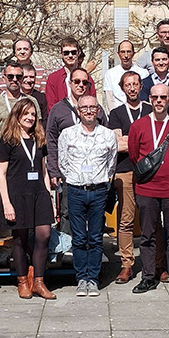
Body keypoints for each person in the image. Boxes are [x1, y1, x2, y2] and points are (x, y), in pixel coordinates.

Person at [129, 83, 169, 295]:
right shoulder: (138, 126)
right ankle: (148, 276)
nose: (159, 101)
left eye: (163, 97)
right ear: (150, 99)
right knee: (147, 235)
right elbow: (135, 154)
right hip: (146, 188)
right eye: (155, 97)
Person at [0, 98, 57, 300]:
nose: (30, 117)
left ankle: (39, 281)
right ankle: (23, 281)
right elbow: (1, 173)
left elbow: (43, 169)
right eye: (26, 113)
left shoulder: (39, 138)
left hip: (39, 193)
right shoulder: (8, 140)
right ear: (17, 115)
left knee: (44, 235)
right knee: (20, 239)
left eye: (33, 114)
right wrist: (6, 202)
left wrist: (50, 197)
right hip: (17, 195)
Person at [58, 95, 118, 297]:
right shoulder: (67, 134)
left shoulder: (108, 135)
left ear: (99, 110)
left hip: (99, 190)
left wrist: (99, 179)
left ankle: (92, 278)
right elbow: (62, 162)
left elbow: (111, 165)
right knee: (78, 237)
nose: (89, 111)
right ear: (78, 110)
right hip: (75, 189)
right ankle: (81, 277)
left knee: (95, 237)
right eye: (85, 107)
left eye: (93, 107)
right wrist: (76, 178)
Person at [107, 71, 153, 284]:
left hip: (150, 171)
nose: (132, 88)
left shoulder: (151, 110)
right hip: (125, 170)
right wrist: (142, 142)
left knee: (151, 218)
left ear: (141, 86)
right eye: (128, 85)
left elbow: (157, 142)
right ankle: (127, 264)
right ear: (123, 88)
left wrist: (129, 140)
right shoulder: (116, 114)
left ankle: (156, 263)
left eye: (135, 84)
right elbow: (117, 145)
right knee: (126, 220)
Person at [45, 37, 96, 112]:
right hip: (61, 119)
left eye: (73, 52)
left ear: (78, 53)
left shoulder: (87, 78)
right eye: (66, 53)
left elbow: (93, 101)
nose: (70, 55)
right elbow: (51, 106)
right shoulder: (54, 78)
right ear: (61, 54)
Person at [0, 60, 38, 133]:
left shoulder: (32, 101)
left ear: (22, 78)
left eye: (18, 76)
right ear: (4, 78)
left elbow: (38, 128)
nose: (15, 79)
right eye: (10, 76)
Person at [102, 40, 148, 111]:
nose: (126, 55)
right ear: (118, 54)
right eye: (123, 52)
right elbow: (109, 98)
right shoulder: (110, 73)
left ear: (133, 53)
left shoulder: (143, 73)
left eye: (128, 52)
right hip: (118, 114)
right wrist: (115, 114)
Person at [139, 47, 169, 114]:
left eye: (164, 59)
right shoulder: (143, 83)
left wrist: (154, 105)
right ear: (152, 62)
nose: (161, 63)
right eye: (157, 60)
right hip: (150, 122)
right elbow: (144, 107)